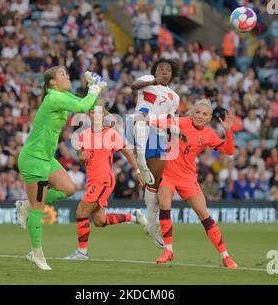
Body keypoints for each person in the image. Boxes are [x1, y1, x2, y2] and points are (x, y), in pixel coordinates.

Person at [15, 67, 106, 270]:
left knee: (69, 189)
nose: (67, 76)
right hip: (34, 159)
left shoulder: (61, 95)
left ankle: (26, 205)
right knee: (39, 210)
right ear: (52, 83)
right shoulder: (54, 97)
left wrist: (92, 87)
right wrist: (95, 89)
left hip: (47, 158)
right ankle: (36, 253)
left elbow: (82, 103)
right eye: (62, 74)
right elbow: (83, 106)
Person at [150, 99, 238, 268]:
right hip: (168, 174)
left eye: (204, 114)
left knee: (204, 215)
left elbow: (229, 150)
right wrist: (170, 127)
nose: (200, 116)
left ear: (209, 118)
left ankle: (225, 256)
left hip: (188, 178)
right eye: (197, 112)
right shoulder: (182, 122)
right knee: (165, 204)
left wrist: (228, 131)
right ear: (192, 113)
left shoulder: (209, 134)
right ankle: (168, 250)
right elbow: (155, 122)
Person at [65, 106, 147, 260]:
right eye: (92, 112)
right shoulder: (83, 135)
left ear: (103, 116)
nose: (95, 115)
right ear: (89, 115)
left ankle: (82, 253)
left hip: (103, 180)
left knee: (81, 212)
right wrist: (81, 158)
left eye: (99, 112)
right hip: (92, 180)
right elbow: (84, 159)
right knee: (99, 221)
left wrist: (137, 172)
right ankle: (133, 216)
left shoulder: (110, 134)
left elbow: (126, 152)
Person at [129, 57, 180, 248]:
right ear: (155, 71)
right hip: (142, 126)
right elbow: (134, 85)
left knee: (156, 183)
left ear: (172, 74)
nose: (163, 72)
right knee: (141, 118)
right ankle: (140, 160)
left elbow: (170, 120)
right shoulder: (147, 80)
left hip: (159, 136)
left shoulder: (174, 97)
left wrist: (172, 132)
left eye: (167, 70)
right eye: (160, 69)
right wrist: (152, 81)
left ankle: (151, 225)